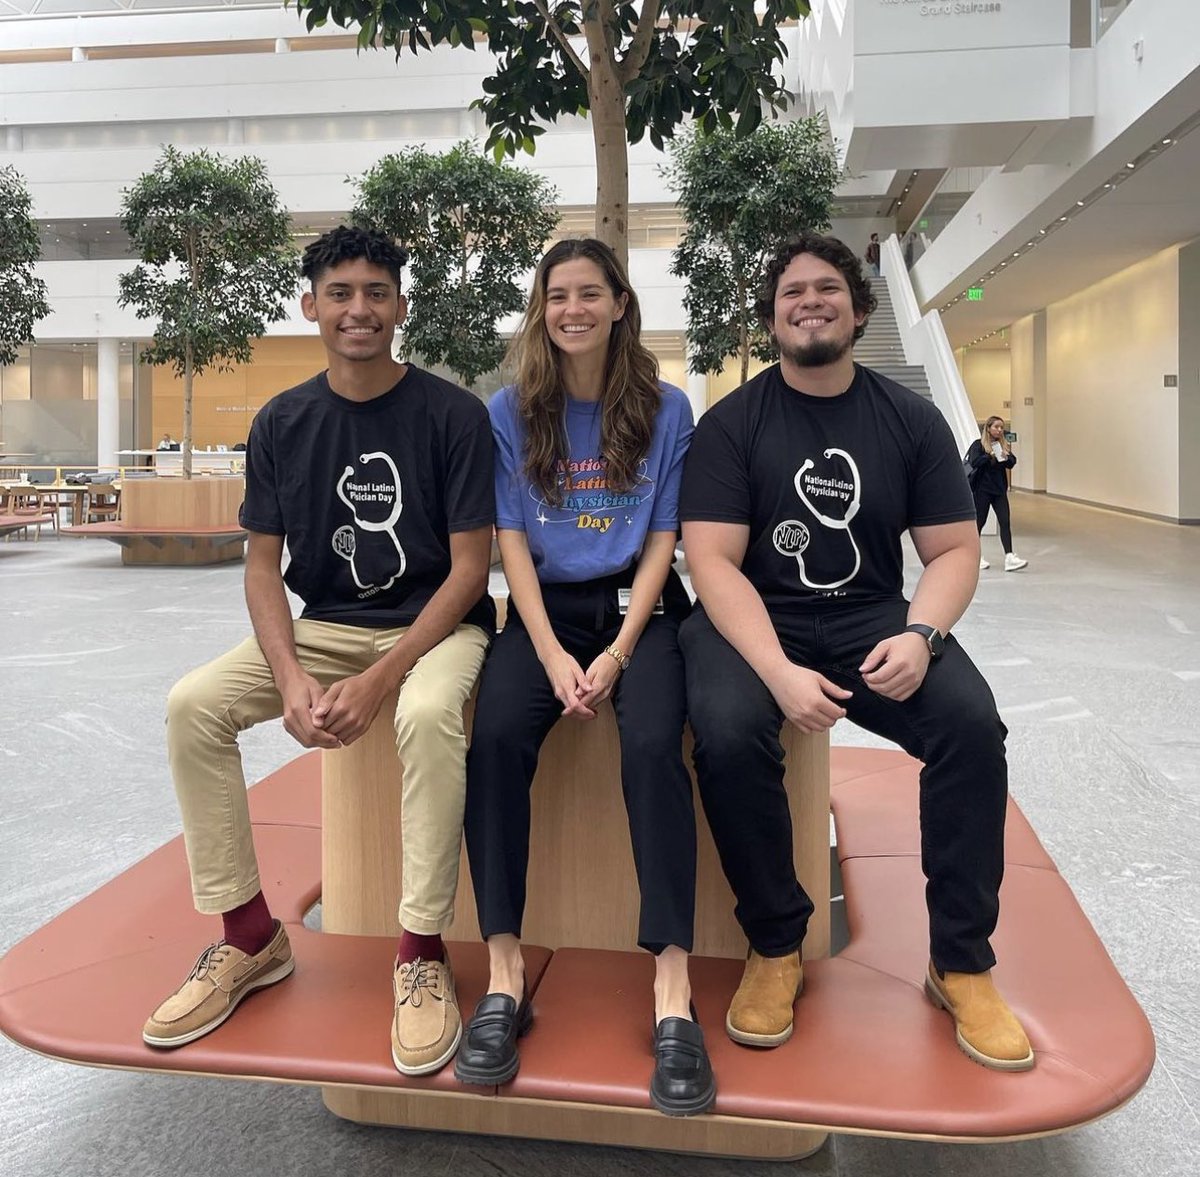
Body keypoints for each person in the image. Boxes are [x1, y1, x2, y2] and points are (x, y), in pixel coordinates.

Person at [142, 226, 496, 1081]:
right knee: (195, 704)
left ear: (401, 307)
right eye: (340, 293)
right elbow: (263, 567)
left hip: (439, 625)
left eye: (376, 292)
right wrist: (295, 676)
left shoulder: (453, 414)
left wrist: (383, 674)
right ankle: (249, 936)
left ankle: (419, 951)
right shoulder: (283, 421)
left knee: (423, 708)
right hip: (327, 624)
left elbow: (472, 567)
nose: (359, 309)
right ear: (311, 307)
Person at [678, 232, 1034, 1072]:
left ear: (858, 309)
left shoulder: (909, 419)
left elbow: (952, 550)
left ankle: (961, 961)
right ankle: (775, 944)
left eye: (826, 289)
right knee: (727, 732)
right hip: (755, 621)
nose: (809, 301)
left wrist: (922, 634)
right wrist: (777, 671)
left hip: (874, 615)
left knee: (971, 725)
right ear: (772, 319)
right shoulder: (733, 423)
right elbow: (713, 562)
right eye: (791, 291)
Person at [455, 239, 714, 1115]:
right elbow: (512, 545)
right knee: (491, 738)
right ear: (542, 307)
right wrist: (556, 651)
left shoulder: (666, 408)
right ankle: (503, 975)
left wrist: (616, 652)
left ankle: (672, 989)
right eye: (557, 294)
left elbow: (661, 543)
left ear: (617, 303)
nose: (572, 308)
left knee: (650, 745)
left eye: (589, 293)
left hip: (636, 609)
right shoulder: (508, 410)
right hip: (544, 612)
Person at [967, 416, 1027, 571]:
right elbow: (974, 462)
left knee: (1005, 522)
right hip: (982, 491)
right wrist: (989, 455)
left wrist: (1006, 457)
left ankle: (1009, 557)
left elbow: (1012, 463)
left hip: (999, 491)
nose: (1000, 430)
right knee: (979, 523)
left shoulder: (1002, 445)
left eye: (1001, 427)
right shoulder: (978, 445)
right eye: (996, 427)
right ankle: (975, 557)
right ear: (988, 428)